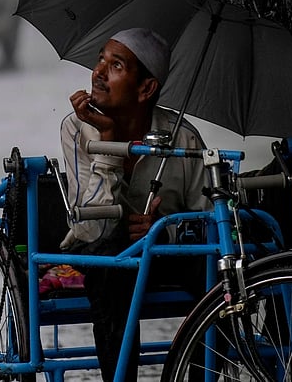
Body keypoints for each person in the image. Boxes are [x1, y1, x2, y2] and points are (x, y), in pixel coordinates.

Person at [58, 28, 209, 381]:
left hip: (167, 255)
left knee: (216, 275)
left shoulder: (182, 138)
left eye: (116, 65)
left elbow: (206, 218)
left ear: (146, 89)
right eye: (100, 61)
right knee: (113, 265)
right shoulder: (77, 130)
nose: (98, 72)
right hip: (104, 252)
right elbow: (92, 227)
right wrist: (108, 140)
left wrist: (165, 229)